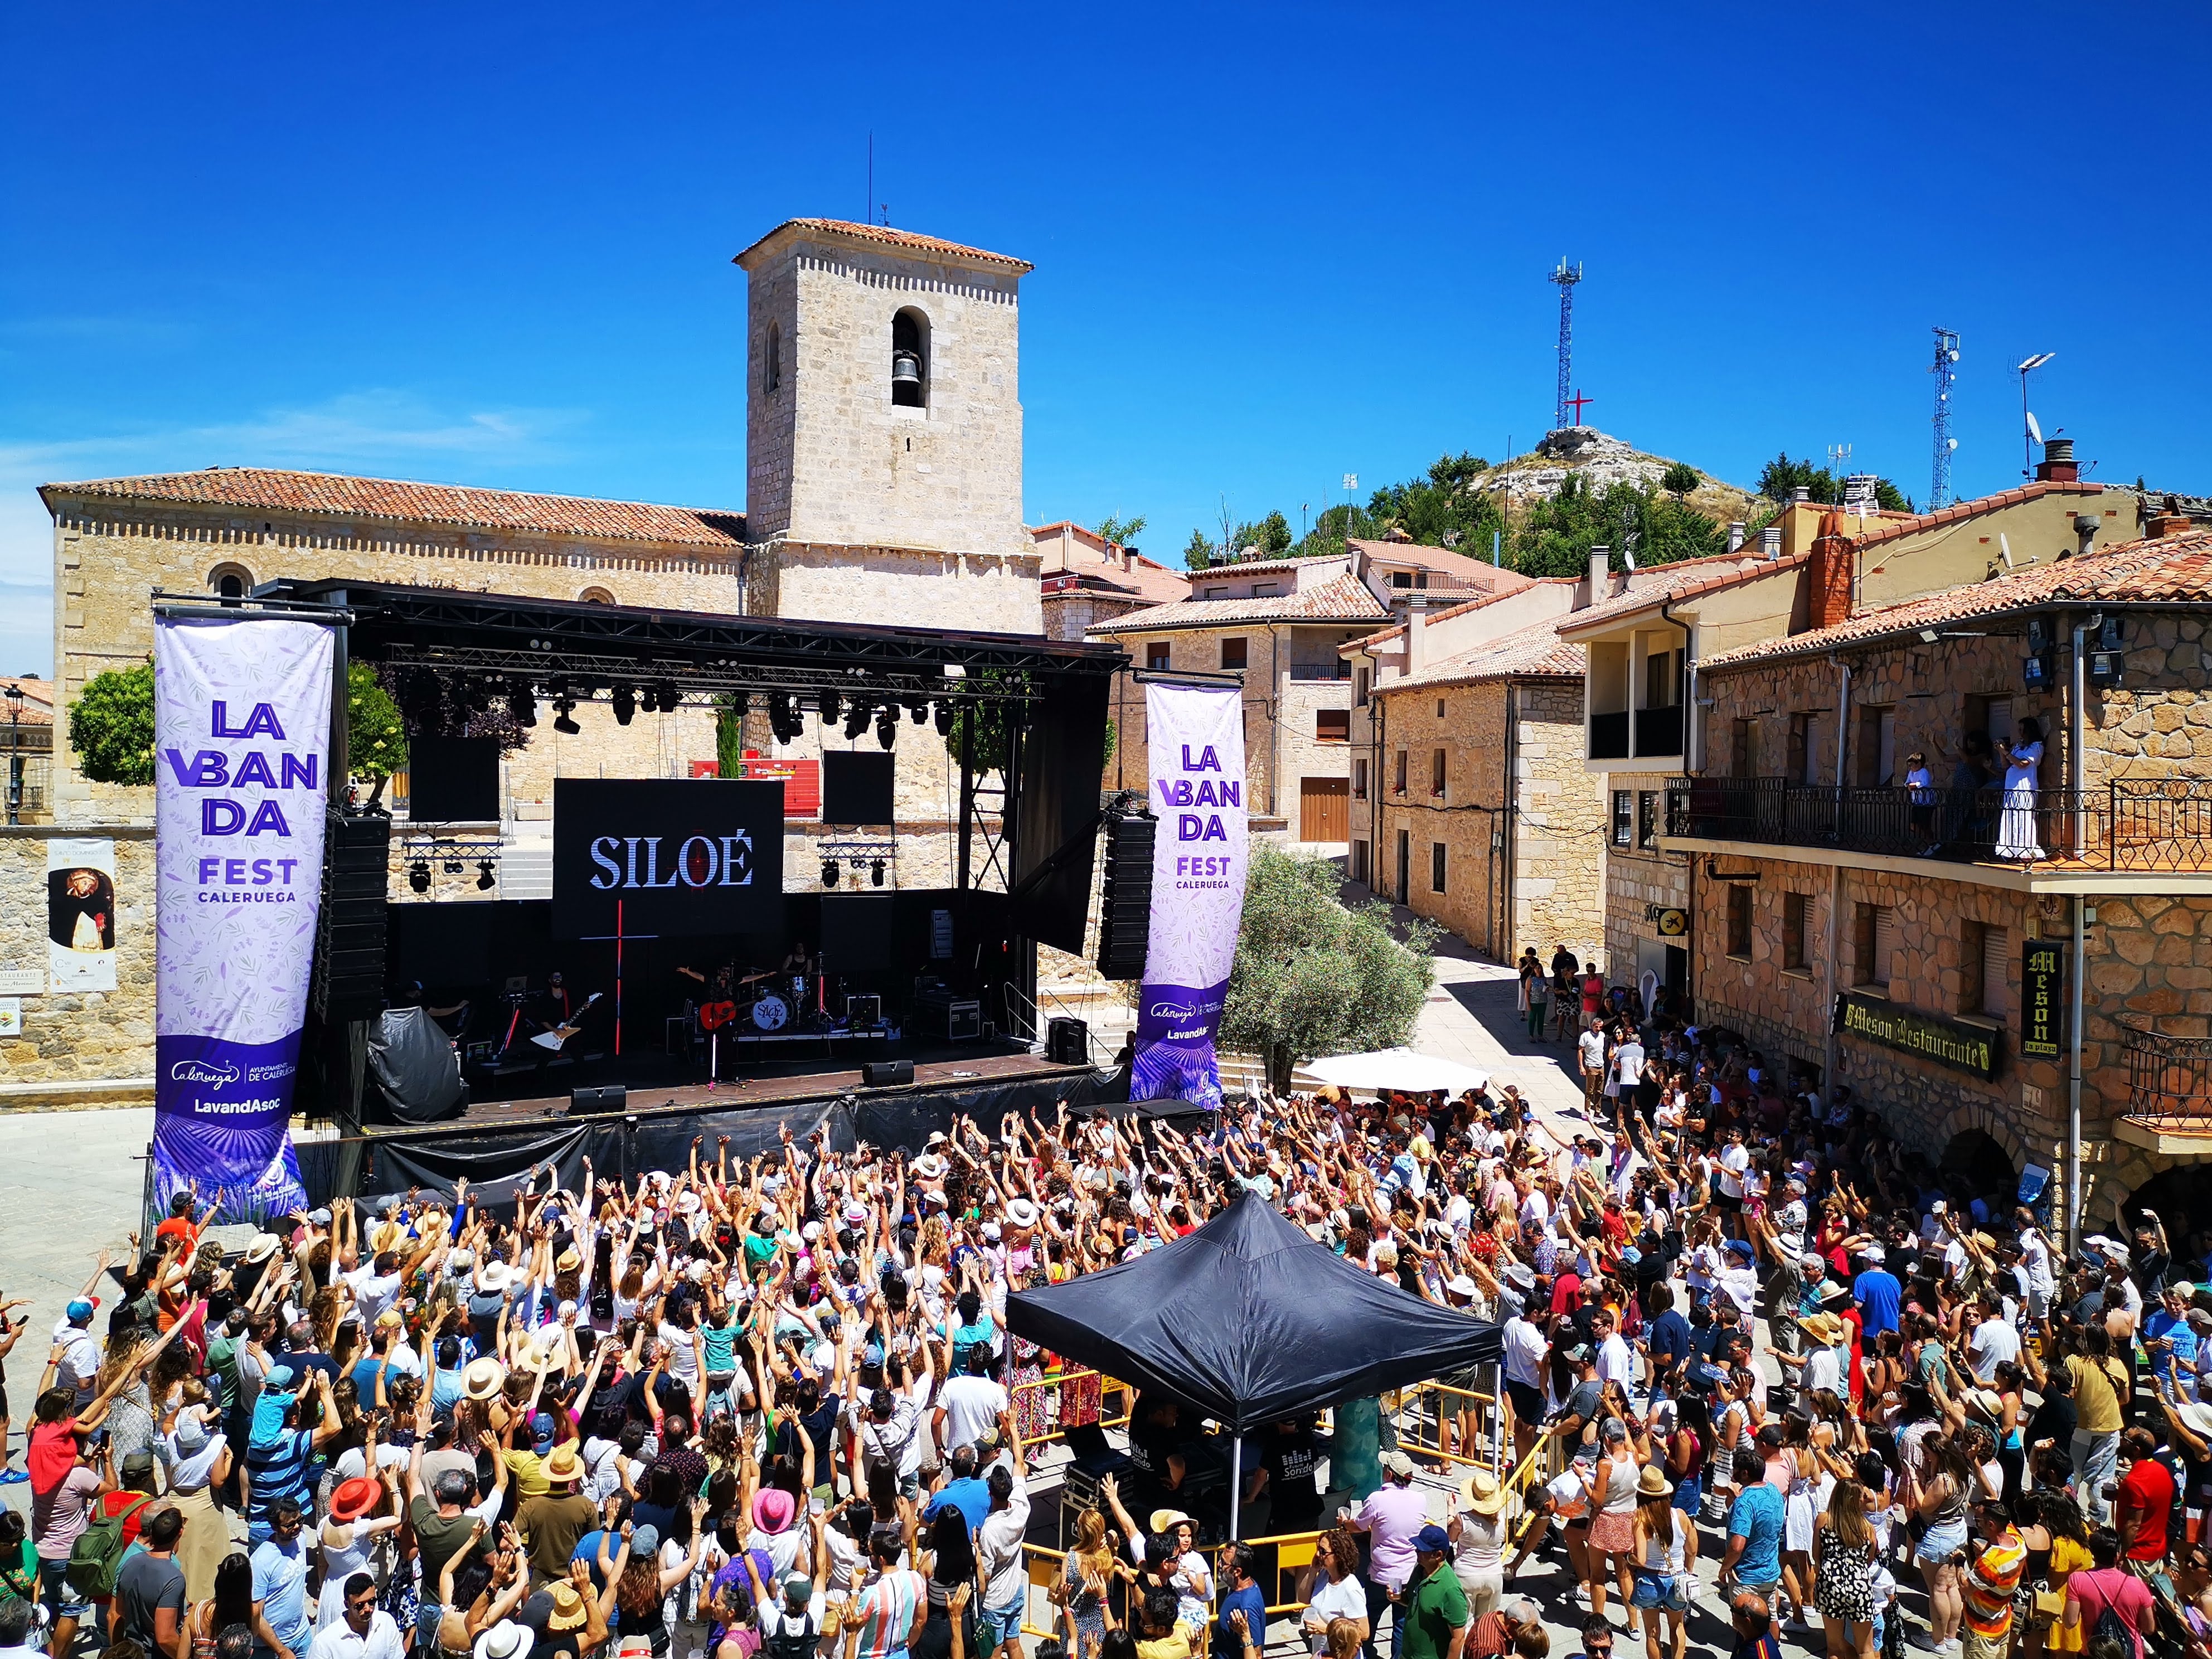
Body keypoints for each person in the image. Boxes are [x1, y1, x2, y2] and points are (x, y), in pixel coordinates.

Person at [2061, 1530, 2155, 1659]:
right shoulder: (2137, 1584)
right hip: (2130, 1653)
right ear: (2117, 1555)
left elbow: (2070, 1622)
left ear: (2093, 1553)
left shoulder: (2078, 1580)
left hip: (2095, 1653)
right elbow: (2149, 1628)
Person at [112, 1503, 187, 1657]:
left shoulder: (130, 1561)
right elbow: (165, 1638)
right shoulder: (173, 1578)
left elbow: (119, 1611)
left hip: (133, 1650)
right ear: (180, 1533)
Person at [1394, 1526, 1469, 1659]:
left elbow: (1458, 1637)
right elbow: (1413, 1601)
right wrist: (1398, 1597)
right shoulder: (1420, 1570)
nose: (1417, 1551)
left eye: (1422, 1550)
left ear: (1438, 1555)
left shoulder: (1450, 1589)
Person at [303, 1572, 404, 1659]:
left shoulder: (386, 1622)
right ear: (347, 1604)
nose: (368, 1609)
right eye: (360, 1606)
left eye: (372, 1601)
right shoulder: (325, 1643)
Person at [1995, 719, 2046, 862]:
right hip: (2011, 787)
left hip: (2024, 787)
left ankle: (2025, 851)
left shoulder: (2036, 747)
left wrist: (2004, 751)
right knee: (2012, 816)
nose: (2020, 732)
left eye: (2023, 729)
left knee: (2023, 817)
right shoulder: (2019, 746)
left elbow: (2022, 764)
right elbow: (2006, 764)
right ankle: (2011, 850)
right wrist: (2001, 751)